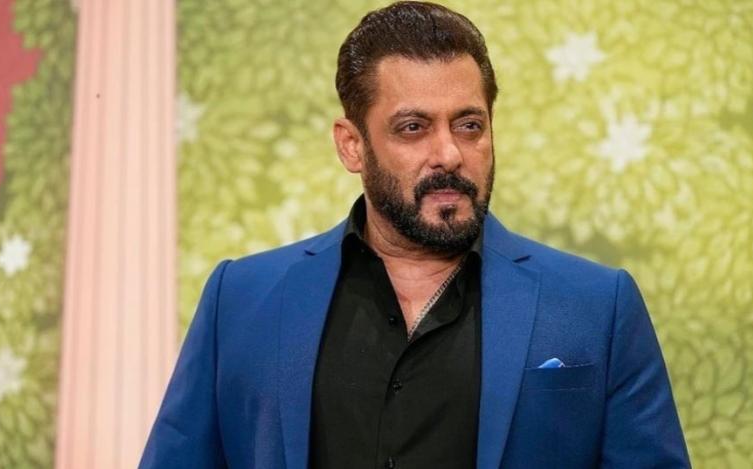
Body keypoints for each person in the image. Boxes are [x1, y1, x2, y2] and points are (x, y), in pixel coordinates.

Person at [140, 2, 690, 468]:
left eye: (469, 125)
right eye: (413, 128)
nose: (448, 154)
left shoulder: (597, 307)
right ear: (352, 145)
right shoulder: (241, 300)